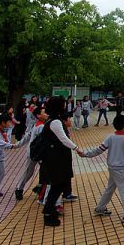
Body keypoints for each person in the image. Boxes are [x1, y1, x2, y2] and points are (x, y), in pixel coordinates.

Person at [39, 96, 84, 227]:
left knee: (58, 185)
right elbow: (63, 139)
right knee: (57, 185)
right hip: (55, 159)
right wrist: (77, 149)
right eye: (63, 104)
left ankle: (50, 209)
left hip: (55, 157)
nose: (65, 106)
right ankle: (48, 212)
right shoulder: (55, 122)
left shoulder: (51, 120)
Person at [14, 106, 47, 200]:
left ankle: (40, 187)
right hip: (34, 153)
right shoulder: (40, 126)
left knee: (44, 170)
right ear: (38, 115)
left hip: (37, 152)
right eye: (44, 112)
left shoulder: (38, 124)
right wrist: (17, 145)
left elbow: (27, 137)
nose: (46, 114)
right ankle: (19, 188)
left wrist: (18, 145)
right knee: (29, 172)